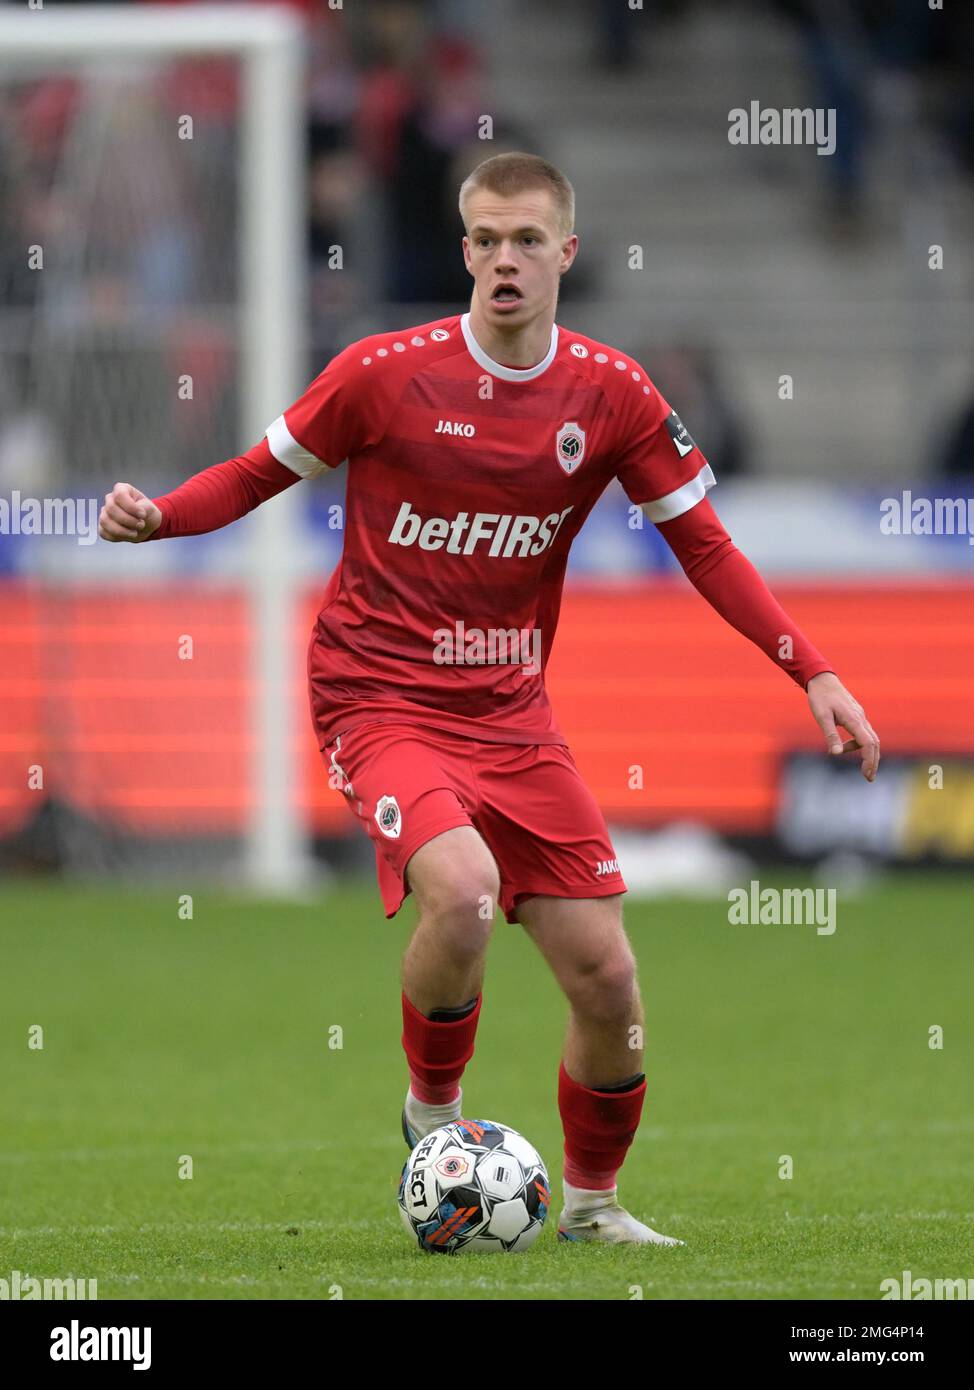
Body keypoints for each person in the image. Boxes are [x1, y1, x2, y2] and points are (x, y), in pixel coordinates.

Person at [98, 151, 881, 1247]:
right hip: (375, 697)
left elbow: (702, 545)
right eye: (485, 240)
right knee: (461, 892)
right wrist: (159, 516)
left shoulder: (611, 394)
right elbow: (254, 471)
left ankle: (594, 1206)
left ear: (566, 252)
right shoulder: (381, 372)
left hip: (512, 713)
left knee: (607, 977)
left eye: (527, 242)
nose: (504, 261)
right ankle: (432, 1115)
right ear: (462, 249)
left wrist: (815, 670)